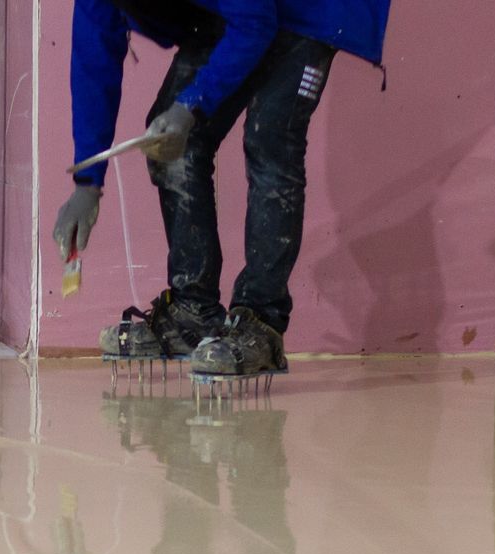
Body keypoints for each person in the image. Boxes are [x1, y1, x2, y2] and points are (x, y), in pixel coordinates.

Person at [55, 0, 392, 378]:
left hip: (312, 10)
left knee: (270, 138)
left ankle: (262, 322)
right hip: (241, 12)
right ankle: (192, 312)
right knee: (170, 144)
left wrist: (191, 105)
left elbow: (255, 23)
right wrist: (87, 182)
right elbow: (94, 55)